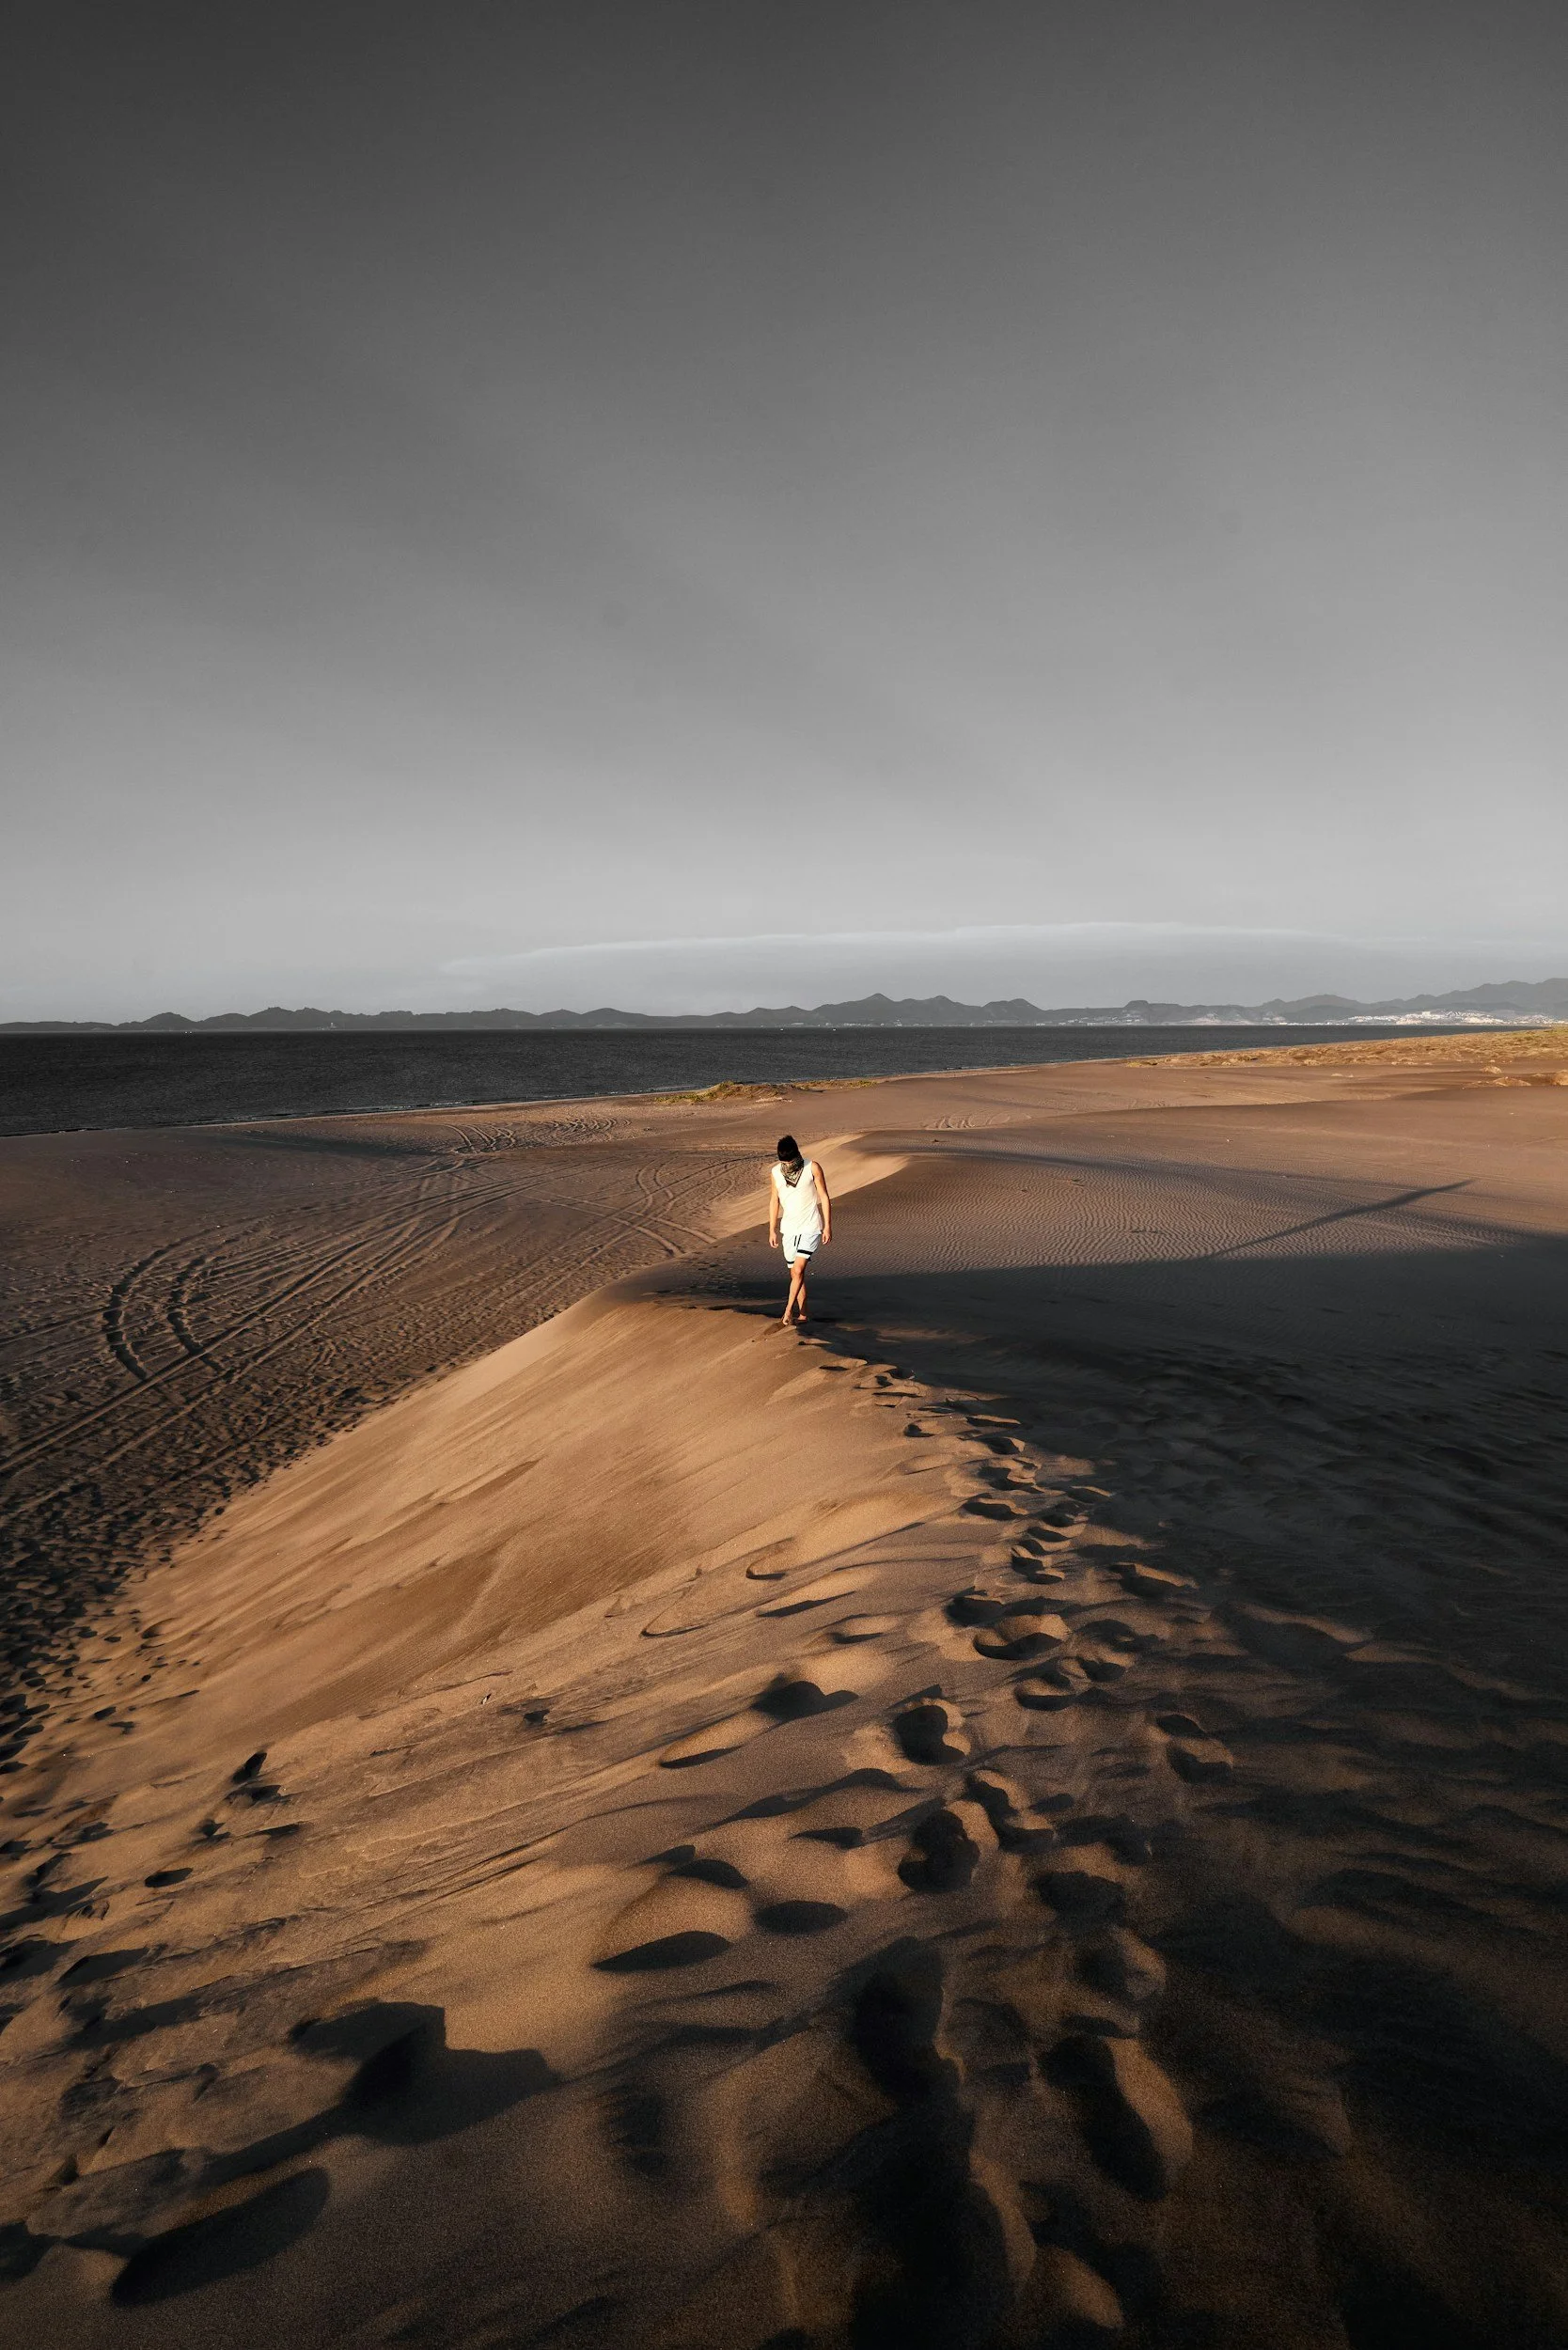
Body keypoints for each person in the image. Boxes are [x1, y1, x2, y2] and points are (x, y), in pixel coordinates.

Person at [768, 1134, 831, 1325]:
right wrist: (772, 1229)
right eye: (784, 1161)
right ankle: (803, 1315)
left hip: (810, 1226)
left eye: (790, 1160)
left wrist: (827, 1226)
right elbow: (774, 1200)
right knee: (796, 1274)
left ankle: (787, 1312)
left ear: (797, 1154)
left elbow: (824, 1196)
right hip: (789, 1229)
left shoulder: (812, 1167)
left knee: (798, 1269)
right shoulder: (776, 1172)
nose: (787, 1165)